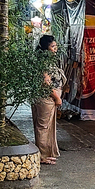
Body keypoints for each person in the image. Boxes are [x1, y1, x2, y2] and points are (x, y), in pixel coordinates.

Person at [32, 35, 65, 165]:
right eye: (52, 47)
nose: (55, 49)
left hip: (46, 98)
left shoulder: (45, 60)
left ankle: (45, 153)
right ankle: (42, 156)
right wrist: (56, 97)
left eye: (56, 46)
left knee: (46, 126)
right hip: (46, 98)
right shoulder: (43, 62)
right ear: (46, 48)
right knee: (43, 127)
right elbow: (46, 82)